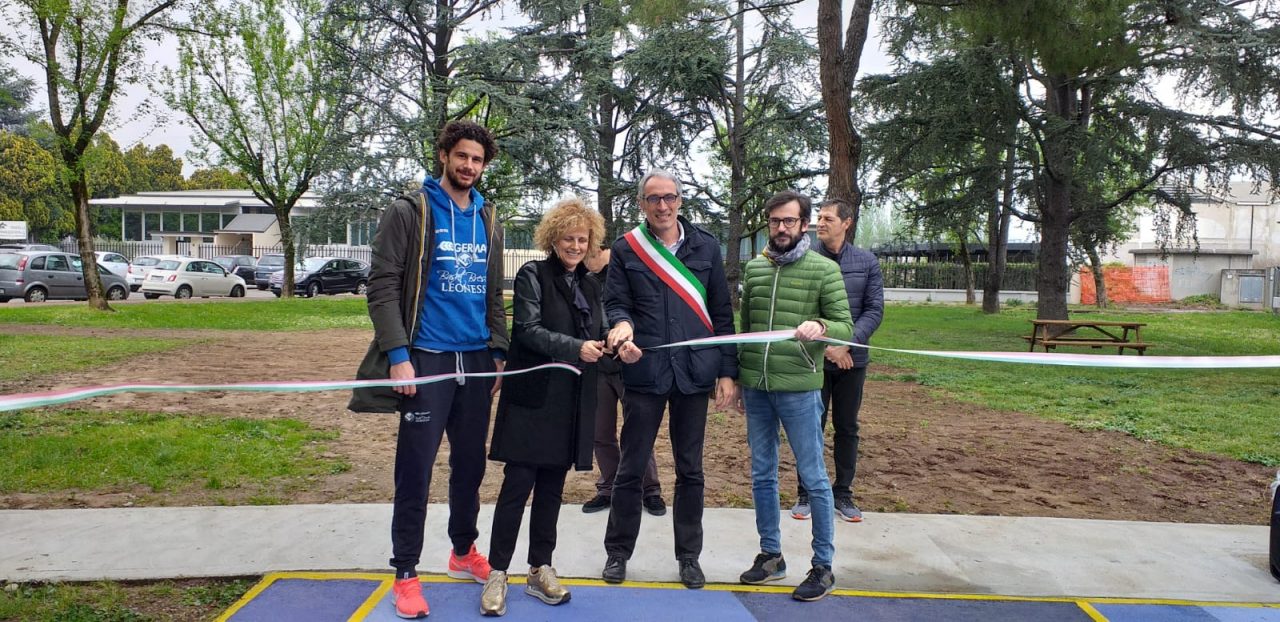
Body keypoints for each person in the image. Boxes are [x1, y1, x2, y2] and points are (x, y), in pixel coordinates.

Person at [348, 120, 508, 620]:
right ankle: (405, 572)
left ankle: (462, 551)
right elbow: (382, 287)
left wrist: (498, 351)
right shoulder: (410, 210)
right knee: (415, 470)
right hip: (427, 358)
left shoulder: (489, 217)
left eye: (477, 159)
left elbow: (492, 291)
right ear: (443, 155)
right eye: (462, 156)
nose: (469, 166)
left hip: (476, 360)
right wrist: (399, 356)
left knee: (470, 466)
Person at [601, 169, 738, 589]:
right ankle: (618, 553)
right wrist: (621, 327)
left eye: (670, 197)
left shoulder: (706, 246)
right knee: (631, 467)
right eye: (654, 198)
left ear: (680, 200)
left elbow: (722, 313)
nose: (663, 206)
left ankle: (689, 557)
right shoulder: (627, 248)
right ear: (641, 204)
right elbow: (615, 302)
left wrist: (727, 371)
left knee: (690, 470)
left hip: (694, 375)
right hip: (645, 372)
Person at [480, 197, 606, 616]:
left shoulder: (591, 284)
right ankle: (498, 572)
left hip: (570, 400)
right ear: (553, 239)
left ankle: (539, 568)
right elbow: (528, 330)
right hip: (532, 399)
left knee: (552, 489)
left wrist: (617, 343)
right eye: (568, 238)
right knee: (517, 487)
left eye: (582, 239)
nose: (575, 246)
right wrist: (577, 348)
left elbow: (600, 331)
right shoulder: (532, 275)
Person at [736, 190, 853, 602]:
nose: (781, 228)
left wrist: (821, 326)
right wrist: (740, 377)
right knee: (762, 474)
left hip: (800, 389)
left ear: (805, 225)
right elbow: (746, 327)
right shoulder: (755, 268)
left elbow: (845, 324)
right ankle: (771, 555)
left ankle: (823, 566)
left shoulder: (824, 269)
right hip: (757, 389)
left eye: (789, 221)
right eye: (775, 221)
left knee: (814, 477)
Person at [791, 198, 884, 523]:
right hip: (814, 360)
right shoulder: (805, 260)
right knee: (810, 427)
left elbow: (874, 310)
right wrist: (828, 345)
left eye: (828, 218)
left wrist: (846, 345)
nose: (820, 223)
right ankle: (805, 492)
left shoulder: (866, 262)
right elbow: (801, 309)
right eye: (818, 217)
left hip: (851, 361)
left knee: (846, 426)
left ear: (847, 223)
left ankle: (843, 493)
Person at [583, 245, 666, 517]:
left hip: (630, 365)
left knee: (639, 431)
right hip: (597, 366)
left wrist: (625, 342)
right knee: (600, 432)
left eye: (588, 251)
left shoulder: (627, 272)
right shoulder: (583, 279)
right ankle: (608, 486)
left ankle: (650, 489)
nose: (583, 256)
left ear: (602, 248)